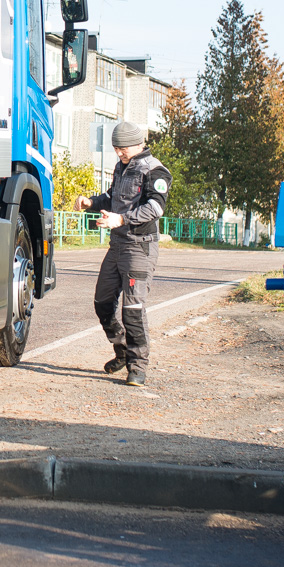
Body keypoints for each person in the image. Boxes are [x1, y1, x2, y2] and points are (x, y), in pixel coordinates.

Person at [75, 120, 172, 386]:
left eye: (123, 148)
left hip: (139, 247)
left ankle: (137, 367)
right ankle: (121, 348)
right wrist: (90, 202)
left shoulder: (155, 171)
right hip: (117, 246)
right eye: (116, 148)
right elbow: (112, 197)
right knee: (102, 303)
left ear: (138, 144)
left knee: (133, 308)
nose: (119, 153)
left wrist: (121, 220)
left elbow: (155, 208)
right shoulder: (122, 167)